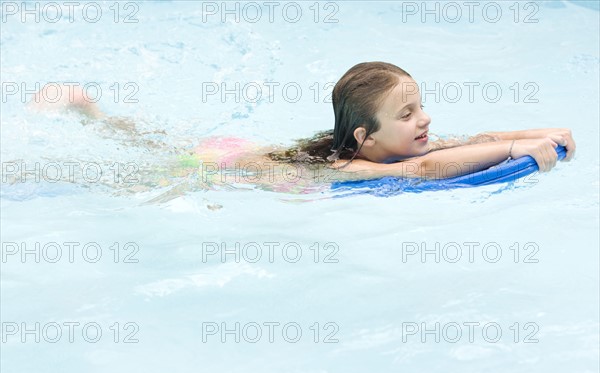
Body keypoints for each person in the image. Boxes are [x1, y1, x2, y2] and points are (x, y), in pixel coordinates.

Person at [28, 61, 576, 193]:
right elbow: (430, 169)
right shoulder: (353, 164)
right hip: (218, 165)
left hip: (245, 150)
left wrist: (540, 133)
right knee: (127, 172)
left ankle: (90, 110)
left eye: (421, 107)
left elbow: (470, 142)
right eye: (407, 115)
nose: (425, 120)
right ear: (366, 136)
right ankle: (87, 117)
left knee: (152, 142)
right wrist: (518, 148)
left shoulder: (379, 142)